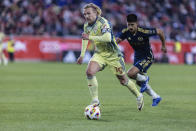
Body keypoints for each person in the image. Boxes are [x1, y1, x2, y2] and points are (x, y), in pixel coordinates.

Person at [77, 3, 144, 110]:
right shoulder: (86, 25)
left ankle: (139, 95)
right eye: (84, 14)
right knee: (89, 72)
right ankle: (95, 101)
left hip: (114, 56)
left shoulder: (103, 23)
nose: (86, 16)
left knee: (123, 81)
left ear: (95, 13)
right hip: (100, 54)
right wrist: (82, 55)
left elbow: (107, 38)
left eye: (88, 13)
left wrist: (89, 37)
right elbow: (85, 38)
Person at [116, 14, 167, 106]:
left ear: (137, 24)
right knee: (139, 82)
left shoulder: (143, 31)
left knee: (130, 73)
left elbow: (160, 32)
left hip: (147, 57)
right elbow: (117, 40)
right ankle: (156, 97)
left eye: (132, 25)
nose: (130, 27)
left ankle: (145, 79)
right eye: (128, 25)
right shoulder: (126, 32)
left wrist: (163, 45)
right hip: (137, 57)